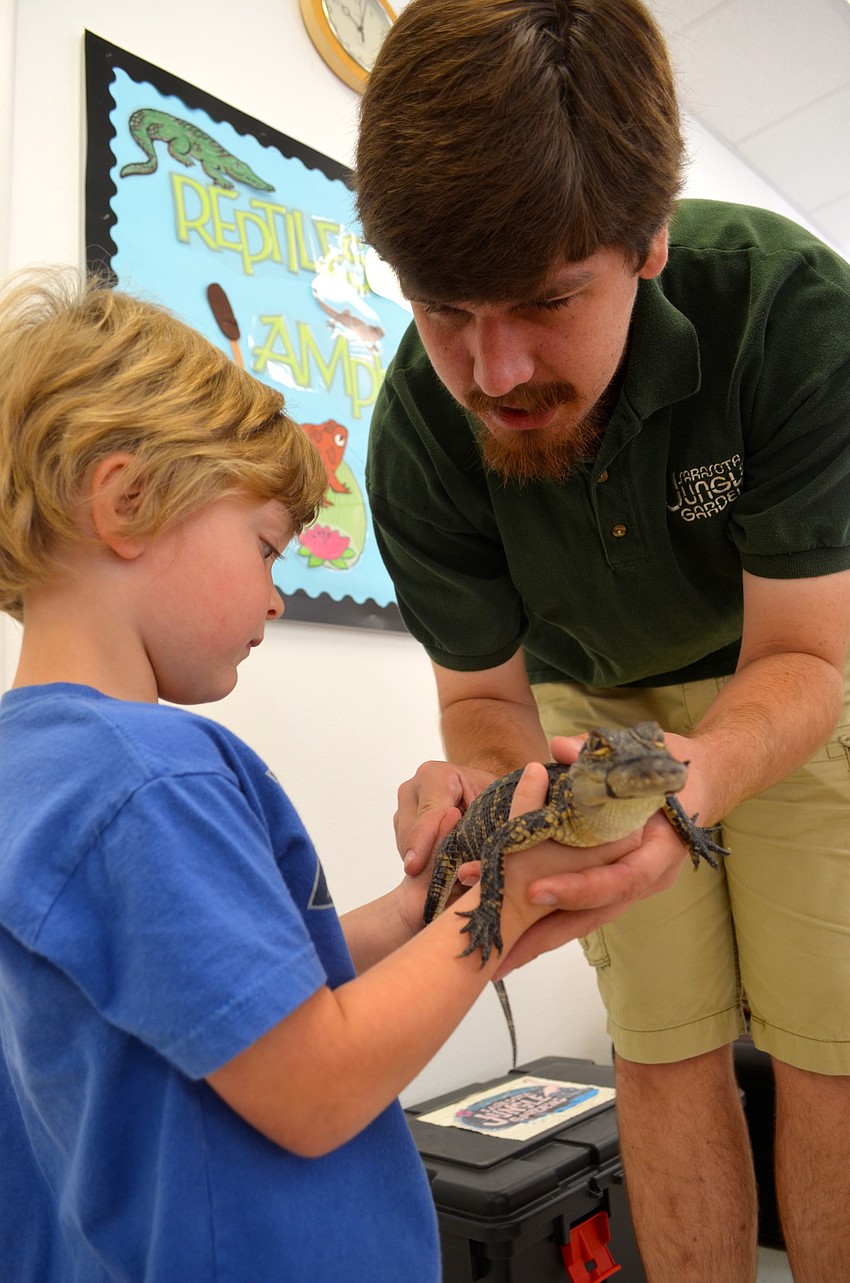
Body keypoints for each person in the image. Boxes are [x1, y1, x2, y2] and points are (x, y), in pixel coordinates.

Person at [0, 267, 648, 1282]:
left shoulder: (35, 772)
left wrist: (406, 913)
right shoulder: (149, 778)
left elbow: (220, 1001)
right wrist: (507, 903)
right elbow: (311, 1086)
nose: (273, 597)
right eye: (264, 549)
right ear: (126, 500)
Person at [354, 2, 850, 1280]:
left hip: (785, 668)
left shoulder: (793, 314)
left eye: (544, 298)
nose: (494, 368)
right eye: (442, 309)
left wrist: (694, 776)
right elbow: (481, 697)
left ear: (649, 243)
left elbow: (805, 657)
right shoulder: (419, 433)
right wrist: (488, 785)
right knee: (664, 1038)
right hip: (588, 702)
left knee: (829, 1039)